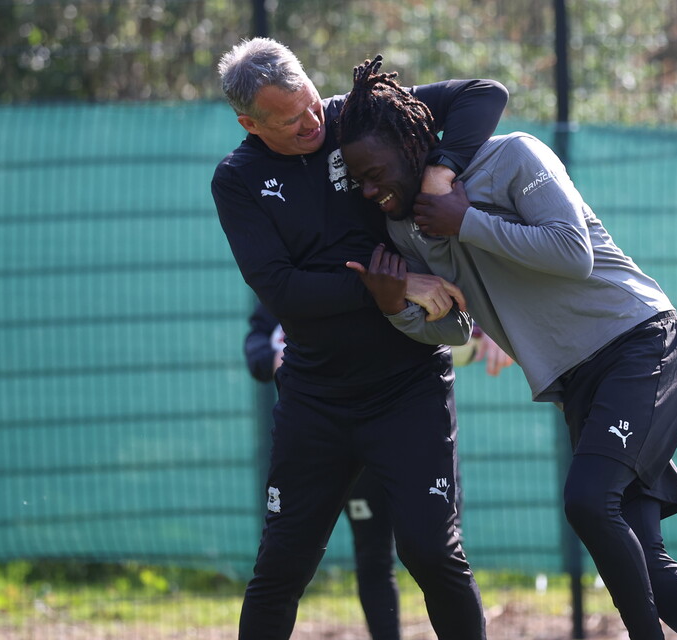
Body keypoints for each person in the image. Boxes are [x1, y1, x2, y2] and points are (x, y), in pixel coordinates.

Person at [339, 58, 677, 640]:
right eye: (358, 181)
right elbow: (456, 330)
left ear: (411, 148)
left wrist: (466, 220)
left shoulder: (515, 156)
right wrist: (396, 305)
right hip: (578, 384)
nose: (369, 190)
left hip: (640, 342)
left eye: (374, 173)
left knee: (588, 502)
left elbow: (571, 252)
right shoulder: (408, 229)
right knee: (647, 564)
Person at [211, 38, 507, 640]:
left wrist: (440, 170)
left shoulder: (358, 115)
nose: (313, 123)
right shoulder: (237, 180)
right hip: (315, 401)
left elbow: (485, 95)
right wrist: (387, 289)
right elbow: (284, 292)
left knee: (432, 553)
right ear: (249, 123)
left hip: (409, 388)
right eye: (290, 120)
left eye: (312, 104)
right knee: (280, 571)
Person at [244, 301, 512, 640]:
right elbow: (256, 343)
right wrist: (274, 359)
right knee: (353, 559)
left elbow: (465, 280)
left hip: (410, 422)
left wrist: (493, 326)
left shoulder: (411, 258)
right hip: (328, 426)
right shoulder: (286, 274)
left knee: (435, 554)